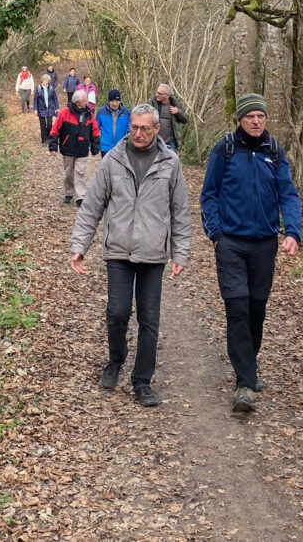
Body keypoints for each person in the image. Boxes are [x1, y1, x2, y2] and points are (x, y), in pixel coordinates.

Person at [70, 104, 192, 408]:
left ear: (156, 130)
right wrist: (79, 246)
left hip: (153, 252)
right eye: (134, 127)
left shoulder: (170, 163)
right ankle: (116, 359)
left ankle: (142, 380)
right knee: (117, 312)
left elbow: (180, 211)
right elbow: (92, 206)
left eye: (144, 128)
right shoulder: (113, 160)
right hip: (119, 250)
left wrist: (180, 253)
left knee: (149, 319)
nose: (138, 133)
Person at [200, 93, 302, 413]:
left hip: (264, 244)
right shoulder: (225, 148)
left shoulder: (275, 151)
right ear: (240, 119)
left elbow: (288, 194)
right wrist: (216, 234)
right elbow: (209, 193)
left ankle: (248, 366)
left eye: (260, 116)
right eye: (250, 117)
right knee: (238, 309)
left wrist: (293, 232)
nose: (256, 121)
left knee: (257, 309)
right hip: (230, 243)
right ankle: (244, 384)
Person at [49, 91, 100, 205]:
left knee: (80, 173)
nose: (87, 102)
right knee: (69, 173)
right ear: (77, 102)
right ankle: (69, 193)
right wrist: (53, 147)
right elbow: (55, 130)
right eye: (85, 100)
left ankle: (80, 196)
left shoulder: (89, 114)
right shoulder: (64, 113)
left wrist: (95, 147)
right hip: (68, 148)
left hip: (83, 149)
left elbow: (95, 131)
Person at [152, 83, 188, 152]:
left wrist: (178, 112)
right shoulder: (152, 101)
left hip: (170, 142)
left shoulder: (175, 103)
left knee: (171, 159)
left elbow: (185, 120)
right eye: (157, 92)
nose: (157, 94)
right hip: (155, 140)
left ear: (167, 95)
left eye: (160, 93)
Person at [96, 89, 131, 156]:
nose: (115, 104)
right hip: (105, 147)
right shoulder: (101, 112)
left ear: (120, 101)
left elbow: (130, 129)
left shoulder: (126, 113)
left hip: (121, 146)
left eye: (117, 101)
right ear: (109, 101)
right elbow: (96, 128)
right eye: (112, 101)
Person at [33, 74, 59, 145]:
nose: (46, 82)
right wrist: (35, 109)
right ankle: (44, 140)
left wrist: (57, 107)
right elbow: (36, 99)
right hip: (41, 108)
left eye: (47, 80)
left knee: (50, 124)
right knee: (43, 125)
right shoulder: (38, 88)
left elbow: (55, 98)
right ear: (42, 80)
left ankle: (48, 136)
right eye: (44, 80)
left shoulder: (51, 88)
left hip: (50, 108)